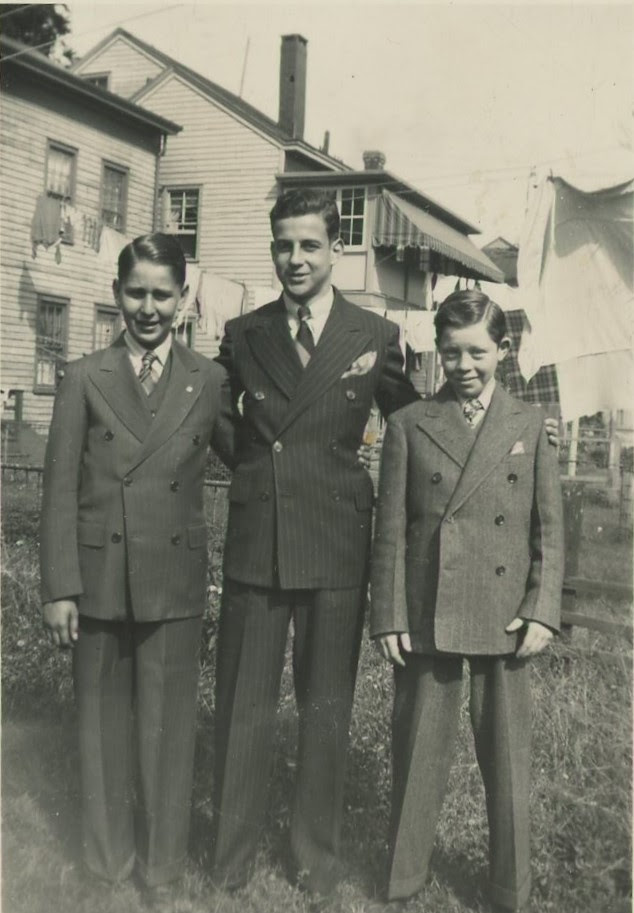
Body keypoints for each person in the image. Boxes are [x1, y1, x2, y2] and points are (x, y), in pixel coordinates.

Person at [210, 188, 420, 899]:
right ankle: (229, 857)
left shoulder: (375, 335)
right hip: (257, 540)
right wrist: (255, 469)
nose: (294, 259)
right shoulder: (243, 333)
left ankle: (315, 858)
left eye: (308, 245)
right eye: (282, 245)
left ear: (335, 249)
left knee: (326, 707)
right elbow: (218, 420)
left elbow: (413, 426)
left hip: (336, 544)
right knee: (245, 705)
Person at [39, 233, 235, 900]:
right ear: (116, 294)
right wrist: (60, 586)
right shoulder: (83, 377)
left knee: (168, 733)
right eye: (136, 292)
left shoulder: (208, 380)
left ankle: (162, 869)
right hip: (97, 582)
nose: (147, 307)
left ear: (183, 299)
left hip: (173, 584)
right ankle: (107, 865)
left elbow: (257, 454)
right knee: (102, 730)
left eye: (162, 293)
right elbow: (59, 487)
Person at [369, 289, 565, 912]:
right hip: (429, 615)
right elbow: (392, 531)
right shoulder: (409, 424)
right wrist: (390, 615)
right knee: (417, 752)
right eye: (450, 352)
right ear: (437, 351)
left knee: (508, 766)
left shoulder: (529, 425)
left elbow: (549, 531)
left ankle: (510, 888)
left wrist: (542, 609)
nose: (463, 366)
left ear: (503, 352)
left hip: (505, 617)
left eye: (477, 351)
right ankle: (403, 880)